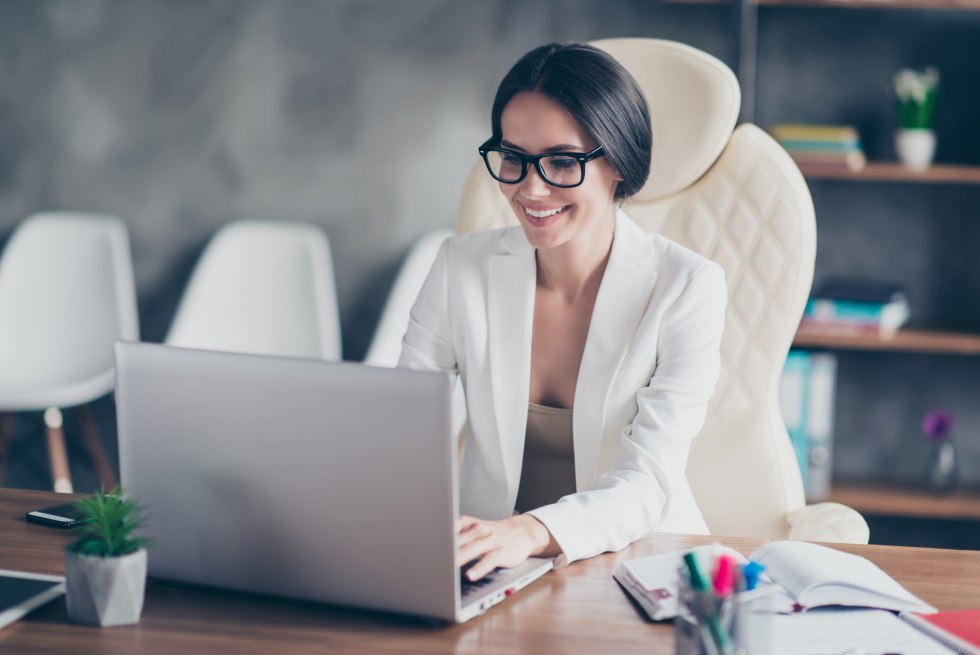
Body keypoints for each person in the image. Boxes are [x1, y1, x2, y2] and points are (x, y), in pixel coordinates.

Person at [398, 42, 727, 581]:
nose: (530, 187)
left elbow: (646, 483)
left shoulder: (687, 288)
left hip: (635, 565)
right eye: (513, 158)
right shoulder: (460, 266)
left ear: (618, 162)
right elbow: (400, 428)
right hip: (489, 567)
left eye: (561, 161)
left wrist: (528, 531)